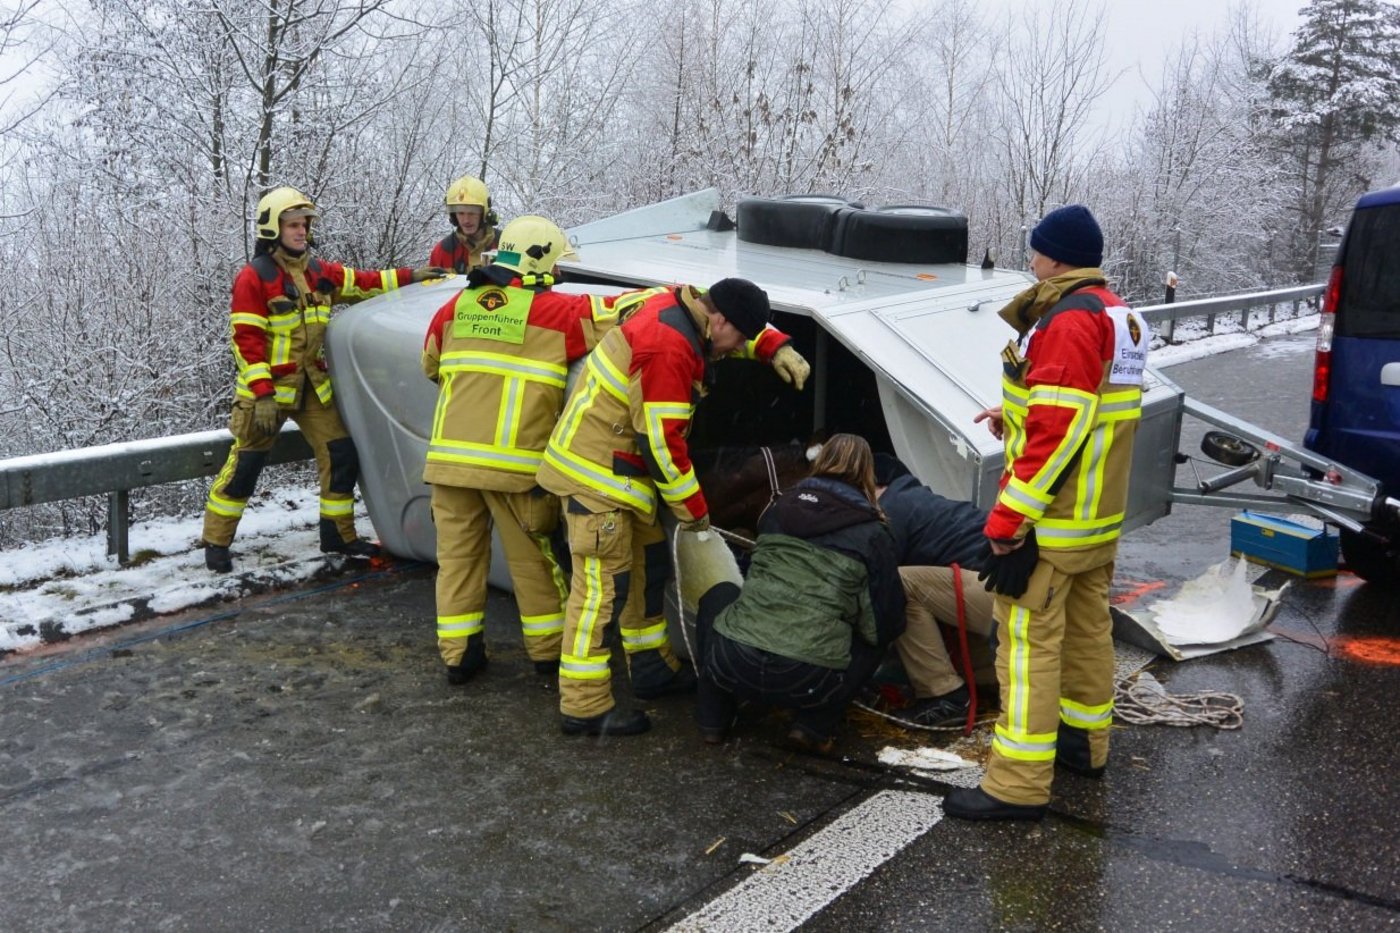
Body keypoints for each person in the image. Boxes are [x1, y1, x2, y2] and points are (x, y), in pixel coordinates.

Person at [943, 204, 1150, 822]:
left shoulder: (1066, 322)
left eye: (1036, 250)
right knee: (1089, 633)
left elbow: (1058, 431)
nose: (1029, 260)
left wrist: (1006, 524)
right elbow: (1088, 413)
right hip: (1097, 518)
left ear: (1055, 256)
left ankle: (1017, 785)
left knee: (1026, 649)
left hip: (1052, 526)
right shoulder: (1120, 316)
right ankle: (1085, 747)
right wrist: (1015, 414)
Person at [536, 278, 812, 736]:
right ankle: (584, 706)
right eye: (740, 337)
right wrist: (696, 512)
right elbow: (661, 446)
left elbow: (727, 321)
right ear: (718, 319)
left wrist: (771, 346)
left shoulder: (680, 305)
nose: (737, 347)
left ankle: (651, 669)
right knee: (601, 594)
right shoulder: (669, 346)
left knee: (648, 567)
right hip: (597, 478)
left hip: (619, 477)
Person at [421, 215, 628, 685]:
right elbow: (631, 309)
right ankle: (548, 657)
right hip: (516, 472)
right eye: (556, 268)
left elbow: (430, 363)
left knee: (456, 564)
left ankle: (459, 658)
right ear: (539, 264)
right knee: (534, 564)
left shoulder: (456, 305)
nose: (559, 277)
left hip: (449, 465)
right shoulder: (556, 314)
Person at [202, 186, 447, 573]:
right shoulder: (253, 279)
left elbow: (365, 282)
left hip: (311, 387)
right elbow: (245, 342)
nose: (302, 232)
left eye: (304, 225)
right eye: (293, 225)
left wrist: (412, 276)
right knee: (246, 465)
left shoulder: (319, 273)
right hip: (266, 393)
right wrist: (263, 394)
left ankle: (338, 535)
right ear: (272, 230)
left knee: (341, 454)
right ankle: (216, 542)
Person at [692, 434, 906, 753]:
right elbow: (882, 623)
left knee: (719, 593)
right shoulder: (873, 532)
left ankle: (712, 718)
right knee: (876, 633)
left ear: (818, 461)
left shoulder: (777, 509)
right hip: (806, 681)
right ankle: (812, 728)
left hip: (733, 662)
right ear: (867, 475)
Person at [872, 452, 996, 728]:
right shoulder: (920, 501)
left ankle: (944, 695)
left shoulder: (891, 507)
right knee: (932, 590)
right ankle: (987, 677)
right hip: (1019, 589)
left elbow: (876, 580)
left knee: (900, 585)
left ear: (875, 485)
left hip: (1001, 594)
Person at [430, 175, 498, 273]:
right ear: (454, 216)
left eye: (472, 213)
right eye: (460, 213)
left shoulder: (504, 245)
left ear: (484, 213)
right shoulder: (442, 251)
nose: (466, 220)